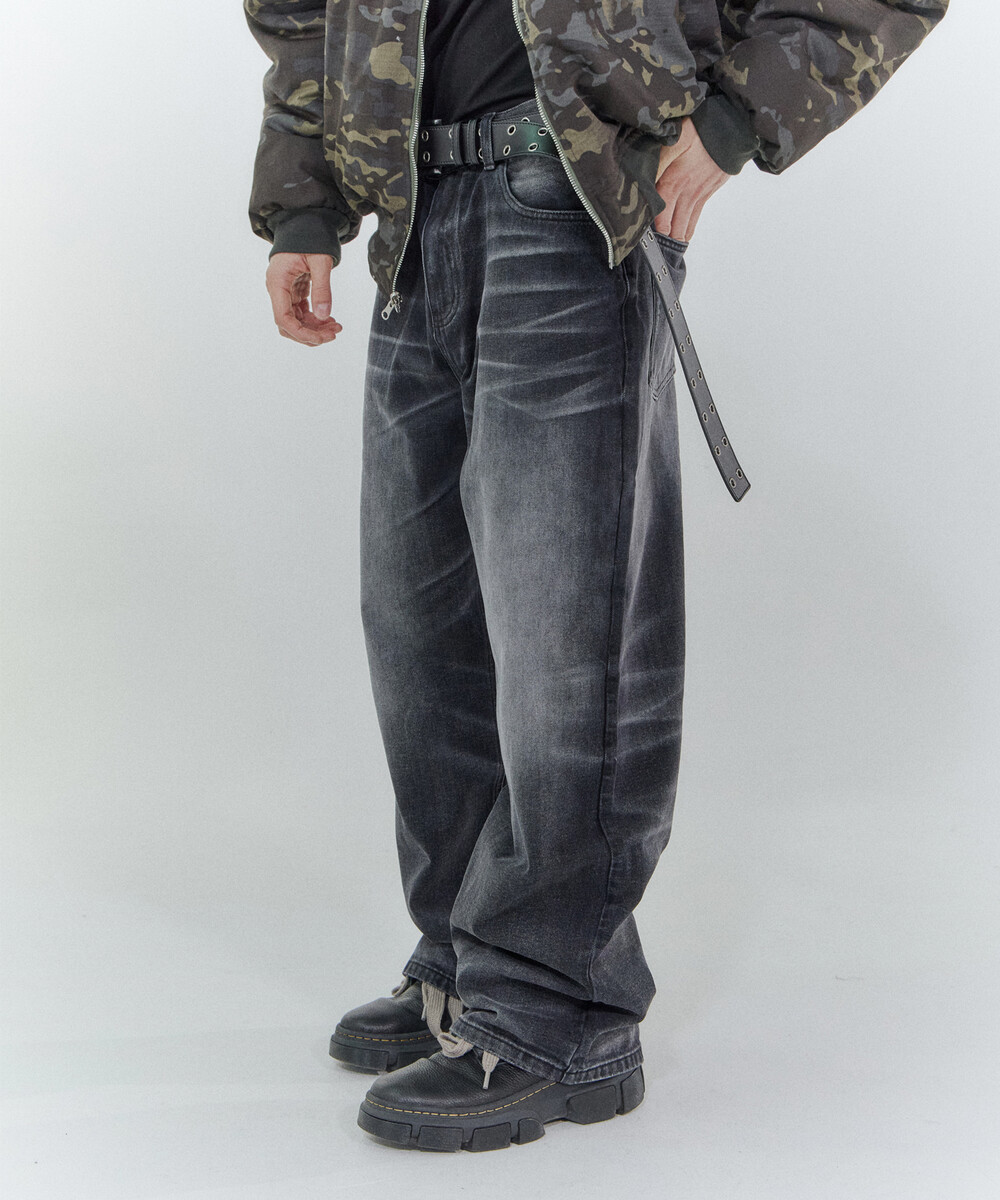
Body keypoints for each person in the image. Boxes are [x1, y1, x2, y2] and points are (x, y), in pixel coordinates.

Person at [244, 0, 949, 1153]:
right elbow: (299, 14)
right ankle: (467, 962)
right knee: (424, 635)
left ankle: (555, 1009)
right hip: (416, 217)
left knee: (563, 638)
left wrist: (732, 120)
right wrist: (304, 202)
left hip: (569, 205)